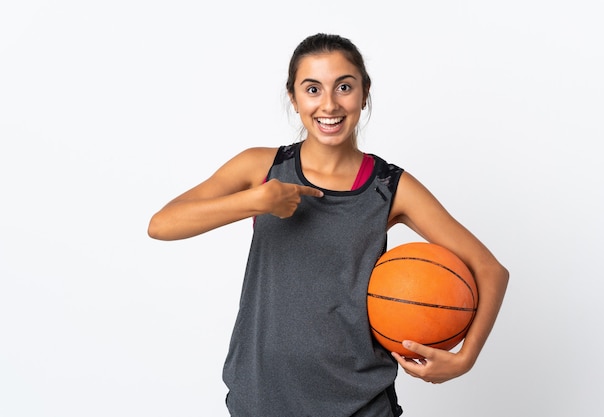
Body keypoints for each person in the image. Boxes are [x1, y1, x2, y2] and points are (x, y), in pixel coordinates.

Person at [148, 33, 509, 417]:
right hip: (260, 400)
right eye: (313, 89)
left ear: (364, 93)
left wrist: (465, 358)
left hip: (359, 404)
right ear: (294, 98)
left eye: (344, 87)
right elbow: (162, 224)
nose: (329, 104)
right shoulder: (261, 168)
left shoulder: (390, 188)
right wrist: (255, 201)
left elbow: (490, 269)